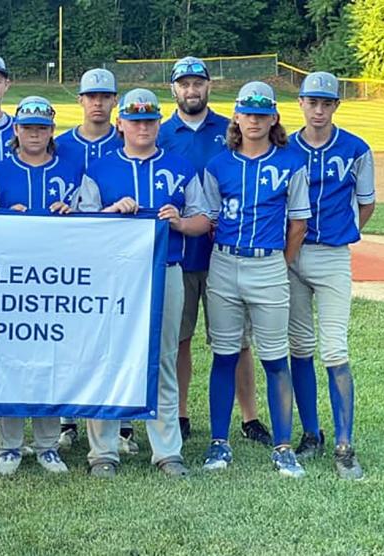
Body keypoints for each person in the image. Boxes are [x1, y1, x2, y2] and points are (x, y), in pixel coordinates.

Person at [73, 89, 210, 478]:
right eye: (134, 121)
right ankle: (103, 451)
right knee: (109, 357)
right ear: (120, 124)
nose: (142, 128)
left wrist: (180, 222)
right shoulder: (100, 169)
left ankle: (166, 450)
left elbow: (204, 219)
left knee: (164, 358)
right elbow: (83, 226)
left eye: (149, 121)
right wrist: (111, 214)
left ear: (158, 124)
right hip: (114, 278)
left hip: (165, 270)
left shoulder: (181, 167)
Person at [199, 81, 311, 478]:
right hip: (225, 263)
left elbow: (298, 222)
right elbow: (208, 219)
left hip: (268, 265)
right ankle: (219, 444)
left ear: (274, 118)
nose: (254, 120)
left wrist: (282, 262)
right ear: (236, 116)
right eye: (248, 113)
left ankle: (283, 447)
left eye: (262, 114)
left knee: (275, 358)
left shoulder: (290, 162)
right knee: (225, 355)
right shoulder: (219, 164)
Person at [159, 56, 272, 445]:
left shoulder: (229, 129)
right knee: (180, 337)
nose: (191, 90)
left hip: (228, 251)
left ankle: (250, 416)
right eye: (184, 84)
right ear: (173, 89)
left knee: (238, 340)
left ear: (209, 86)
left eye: (198, 83)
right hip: (181, 252)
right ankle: (182, 413)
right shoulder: (160, 133)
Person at [288, 71, 374, 480]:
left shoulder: (356, 148)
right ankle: (311, 434)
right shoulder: (284, 146)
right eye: (312, 102)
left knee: (335, 349)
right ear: (301, 104)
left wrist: (341, 231)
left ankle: (344, 444)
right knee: (299, 346)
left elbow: (366, 205)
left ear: (336, 106)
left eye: (326, 103)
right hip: (293, 254)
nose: (318, 110)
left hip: (332, 256)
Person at [0, 96, 79, 475]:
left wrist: (71, 215)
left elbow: (89, 223)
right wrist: (5, 217)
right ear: (16, 130)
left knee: (49, 361)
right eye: (28, 127)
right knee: (9, 362)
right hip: (11, 280)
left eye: (42, 127)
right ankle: (8, 445)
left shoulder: (72, 171)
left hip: (55, 280)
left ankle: (46, 445)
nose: (35, 134)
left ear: (51, 131)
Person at [53, 68, 136, 453]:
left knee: (116, 336)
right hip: (73, 254)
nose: (98, 103)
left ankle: (120, 426)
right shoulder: (62, 144)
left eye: (105, 96)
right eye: (92, 96)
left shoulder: (127, 139)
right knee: (74, 338)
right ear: (81, 100)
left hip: (119, 257)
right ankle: (68, 421)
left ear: (114, 101)